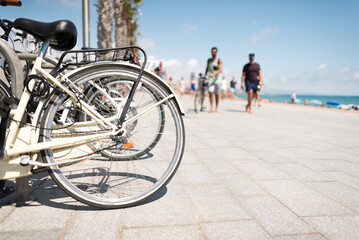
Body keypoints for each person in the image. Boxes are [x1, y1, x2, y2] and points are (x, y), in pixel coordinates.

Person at [205, 47, 223, 113]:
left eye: (215, 52)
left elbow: (220, 70)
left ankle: (216, 107)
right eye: (212, 52)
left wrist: (214, 74)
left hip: (218, 80)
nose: (213, 53)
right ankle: (211, 107)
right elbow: (207, 68)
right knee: (210, 92)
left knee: (217, 94)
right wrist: (205, 75)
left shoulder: (219, 60)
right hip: (210, 80)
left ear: (217, 52)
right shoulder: (209, 60)